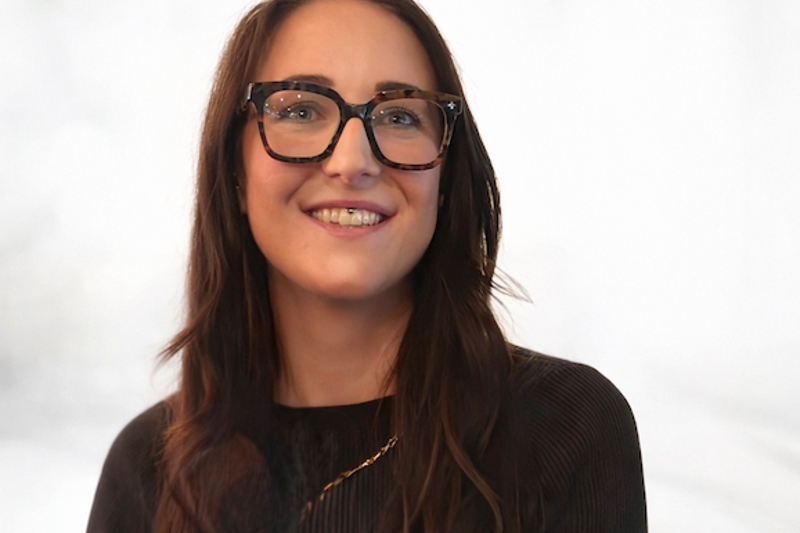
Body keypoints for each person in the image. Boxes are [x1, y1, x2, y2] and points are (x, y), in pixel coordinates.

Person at [87, 0, 647, 531]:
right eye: (300, 110)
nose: (352, 161)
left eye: (399, 116)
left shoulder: (565, 428)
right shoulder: (147, 471)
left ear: (445, 179)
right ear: (235, 172)